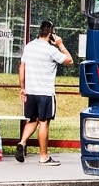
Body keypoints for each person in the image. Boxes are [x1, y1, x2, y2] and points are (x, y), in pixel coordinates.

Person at [16, 20, 73, 164]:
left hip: (31, 91)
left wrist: (22, 88)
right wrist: (60, 44)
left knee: (32, 119)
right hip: (45, 93)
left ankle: (22, 142)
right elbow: (69, 61)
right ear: (51, 33)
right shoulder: (51, 50)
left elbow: (22, 68)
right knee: (43, 122)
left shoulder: (29, 47)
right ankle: (43, 157)